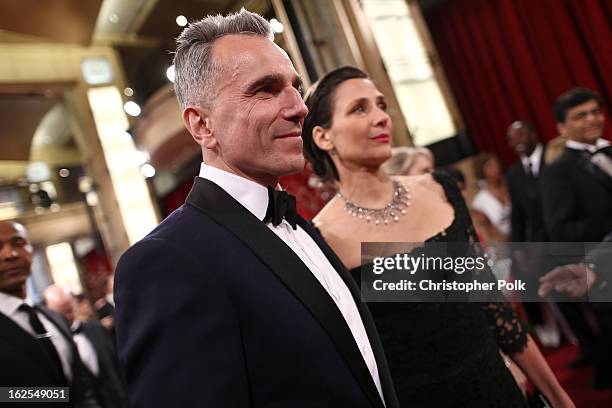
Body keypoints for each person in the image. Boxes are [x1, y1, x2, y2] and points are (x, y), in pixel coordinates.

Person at [114, 10, 398, 408]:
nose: (299, 107)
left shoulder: (306, 229)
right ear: (202, 126)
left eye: (295, 88)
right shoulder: (166, 261)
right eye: (266, 90)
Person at [303, 66, 573, 407]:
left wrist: (556, 394)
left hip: (496, 386)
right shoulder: (321, 239)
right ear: (323, 136)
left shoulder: (440, 190)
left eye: (381, 105)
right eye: (360, 108)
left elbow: (494, 309)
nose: (381, 117)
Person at [540, 87, 612, 388]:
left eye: (596, 111)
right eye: (580, 115)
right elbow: (561, 231)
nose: (592, 119)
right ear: (561, 127)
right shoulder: (558, 171)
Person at [0, 220, 101, 408]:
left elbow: (81, 388)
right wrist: (60, 395)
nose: (10, 254)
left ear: (31, 250)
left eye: (18, 243)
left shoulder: (54, 320)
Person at [506, 121, 560, 348]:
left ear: (534, 133)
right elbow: (518, 215)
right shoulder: (514, 173)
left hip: (570, 237)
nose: (517, 141)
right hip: (542, 245)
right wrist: (517, 248)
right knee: (561, 295)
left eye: (522, 134)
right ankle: (586, 344)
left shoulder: (555, 156)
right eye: (512, 138)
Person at [44, 285, 128, 408]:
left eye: (69, 310)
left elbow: (117, 364)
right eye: (61, 313)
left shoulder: (96, 329)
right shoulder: (51, 344)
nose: (68, 316)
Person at [471, 154, 511, 242]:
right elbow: (490, 231)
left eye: (496, 164)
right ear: (481, 171)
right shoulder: (479, 202)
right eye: (490, 166)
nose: (495, 168)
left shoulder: (511, 185)